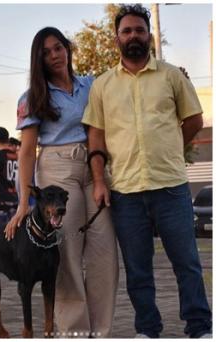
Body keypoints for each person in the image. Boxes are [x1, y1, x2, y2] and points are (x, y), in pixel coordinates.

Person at [83, 4, 212, 338]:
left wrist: (170, 148)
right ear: (117, 39)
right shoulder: (102, 86)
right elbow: (95, 134)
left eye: (139, 30)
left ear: (149, 35)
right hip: (125, 192)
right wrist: (99, 180)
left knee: (187, 264)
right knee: (138, 270)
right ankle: (148, 330)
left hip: (171, 188)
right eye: (126, 31)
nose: (133, 36)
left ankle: (199, 328)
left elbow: (194, 120)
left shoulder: (171, 76)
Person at [4, 27, 119, 337]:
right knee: (67, 253)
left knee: (104, 252)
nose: (54, 55)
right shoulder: (32, 97)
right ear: (38, 59)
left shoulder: (91, 85)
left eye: (58, 48)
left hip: (94, 166)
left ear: (68, 48)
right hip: (58, 169)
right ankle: (73, 331)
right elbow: (27, 152)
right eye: (46, 52)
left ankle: (102, 331)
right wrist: (23, 203)